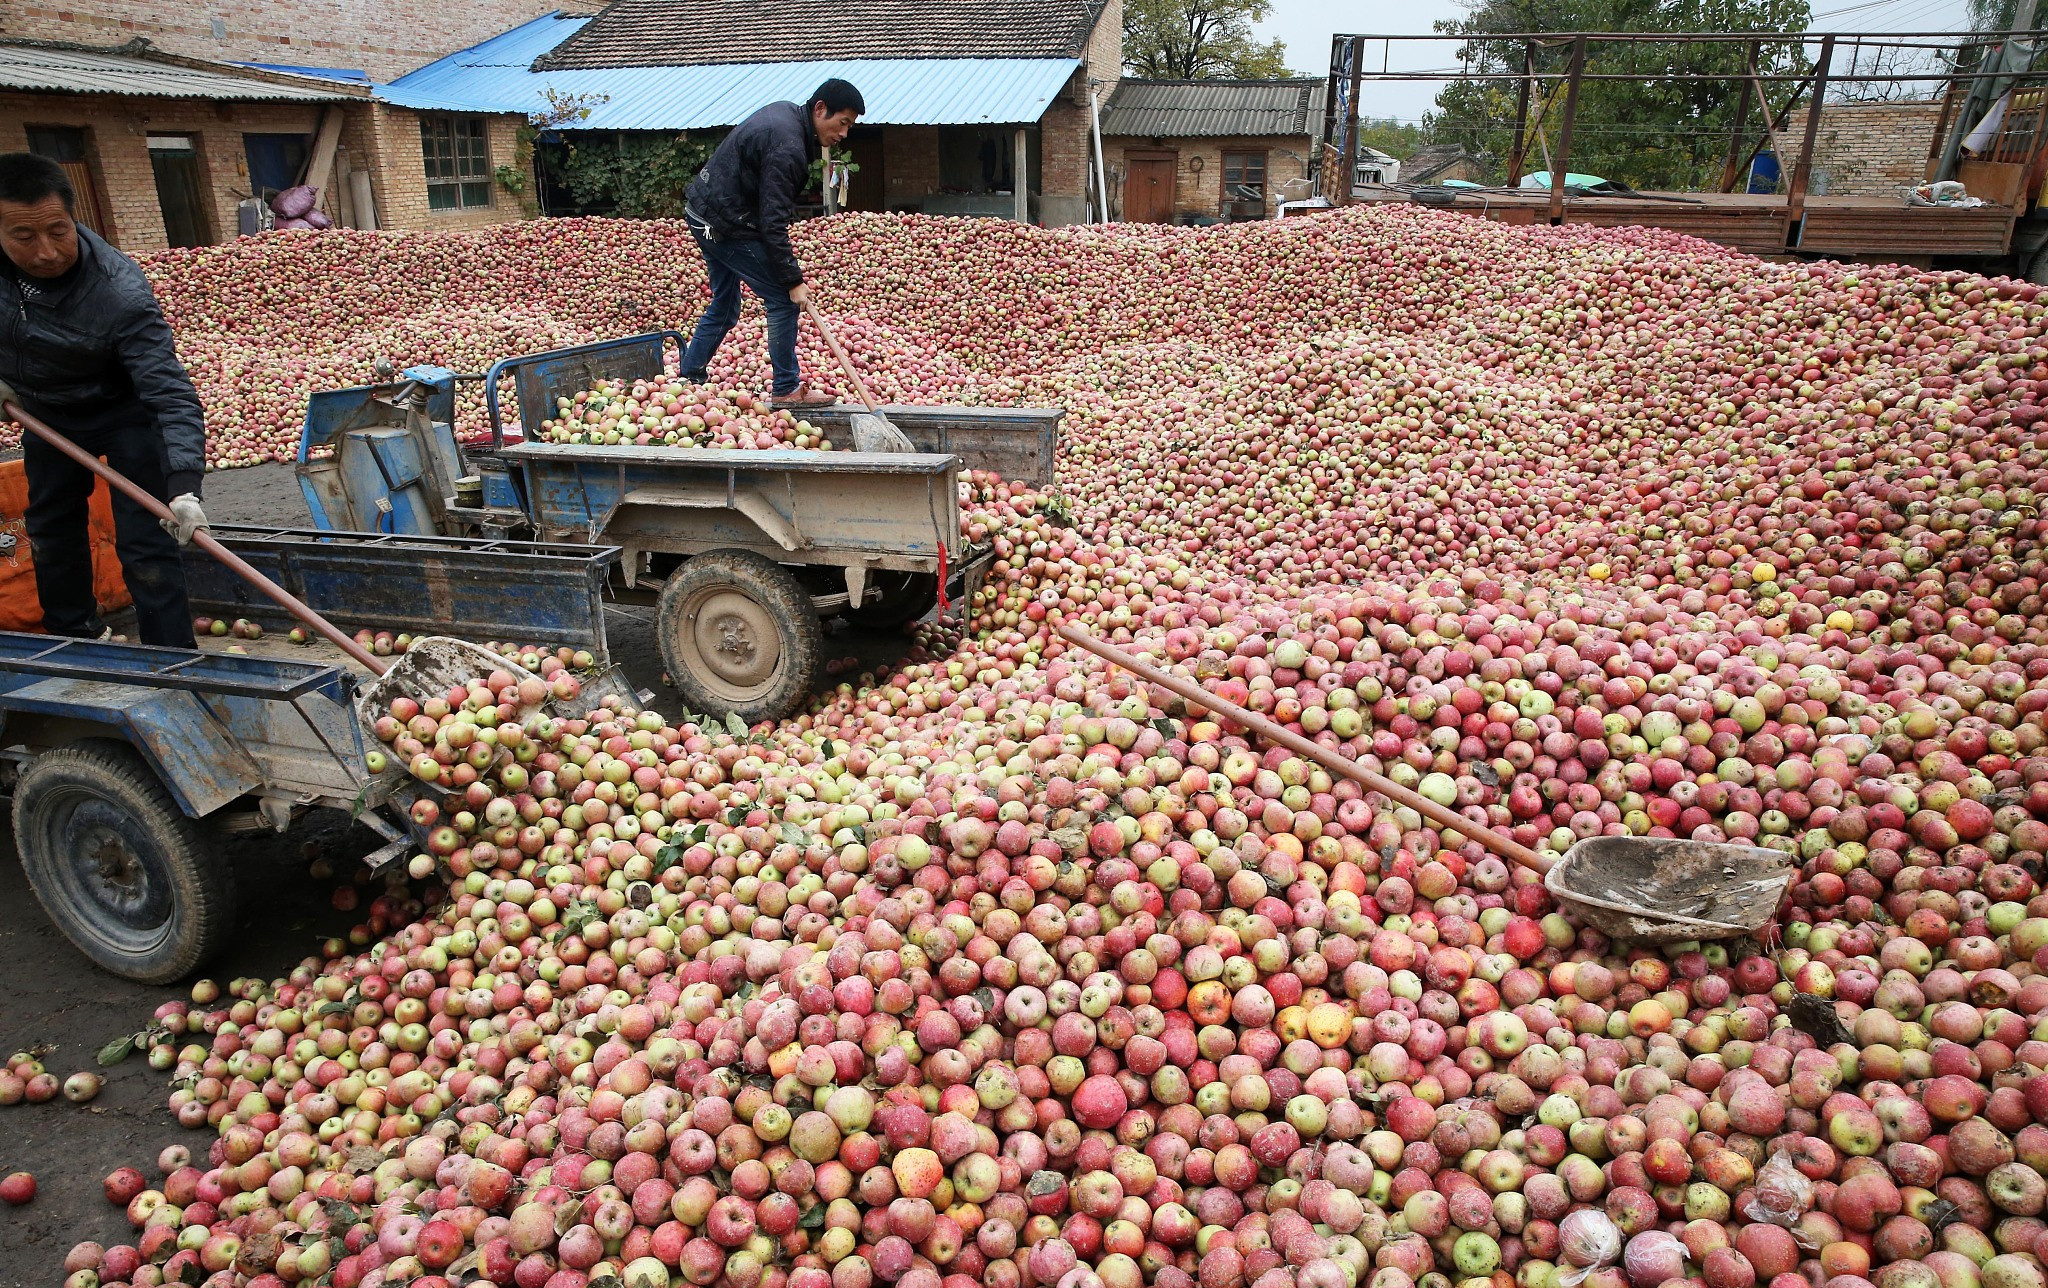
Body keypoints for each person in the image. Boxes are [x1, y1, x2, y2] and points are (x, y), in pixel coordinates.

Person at [0, 152, 207, 649]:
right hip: (46, 412)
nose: (47, 252)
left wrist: (183, 483)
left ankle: (172, 659)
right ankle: (72, 642)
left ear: (75, 218)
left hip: (123, 411)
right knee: (51, 532)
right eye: (24, 238)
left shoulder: (119, 291)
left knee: (147, 539)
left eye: (58, 230)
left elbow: (167, 388)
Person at [680, 79, 865, 407]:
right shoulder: (789, 146)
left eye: (850, 126)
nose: (844, 134)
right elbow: (773, 222)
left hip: (706, 209)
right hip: (723, 221)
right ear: (820, 109)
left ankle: (689, 375)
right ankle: (785, 388)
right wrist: (792, 280)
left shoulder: (788, 116)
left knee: (725, 303)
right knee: (782, 299)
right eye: (843, 123)